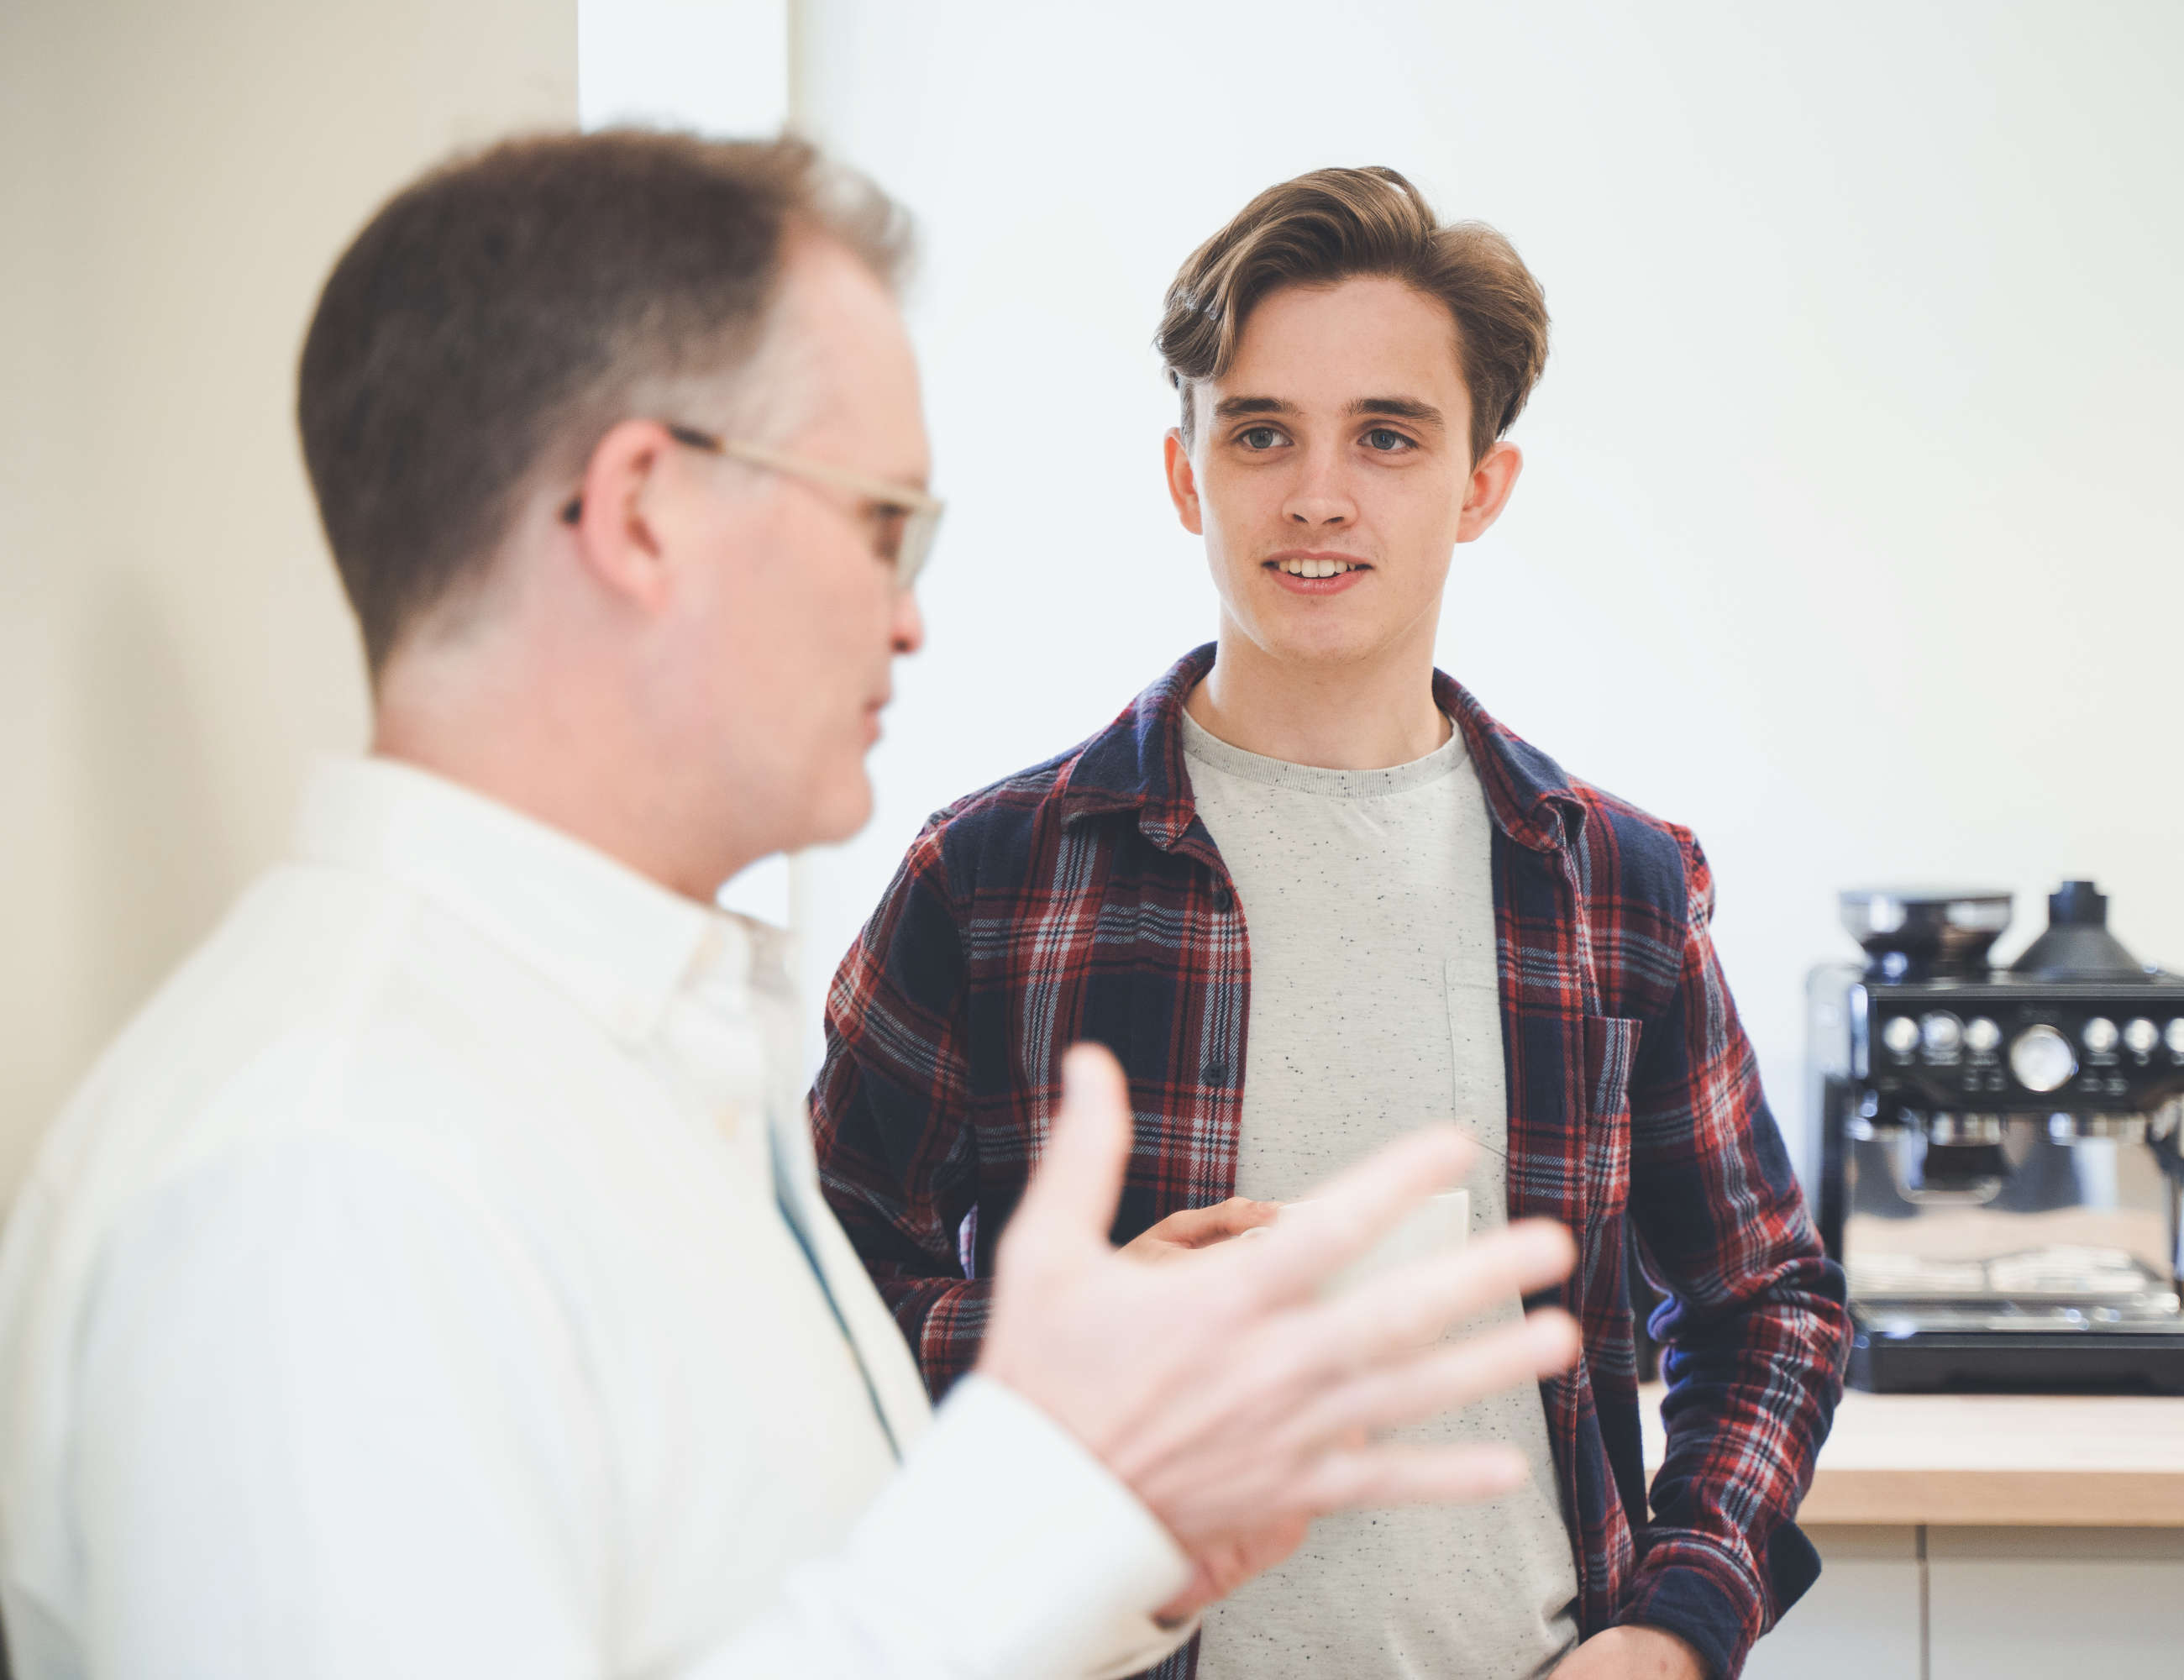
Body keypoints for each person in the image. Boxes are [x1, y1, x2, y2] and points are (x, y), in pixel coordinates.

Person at [0, 134, 1588, 1680]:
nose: (908, 619)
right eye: (875, 520)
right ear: (641, 514)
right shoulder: (329, 1183)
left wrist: (1108, 1537)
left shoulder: (626, 1069)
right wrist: (1058, 1497)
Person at [813, 166, 1851, 1680]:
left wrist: (1676, 1630)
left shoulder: (1618, 888)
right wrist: (1061, 1343)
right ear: (1185, 475)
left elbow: (1770, 1306)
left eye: (1387, 435)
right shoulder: (991, 877)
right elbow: (819, 1300)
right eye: (1258, 434)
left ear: (1480, 485)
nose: (1317, 494)